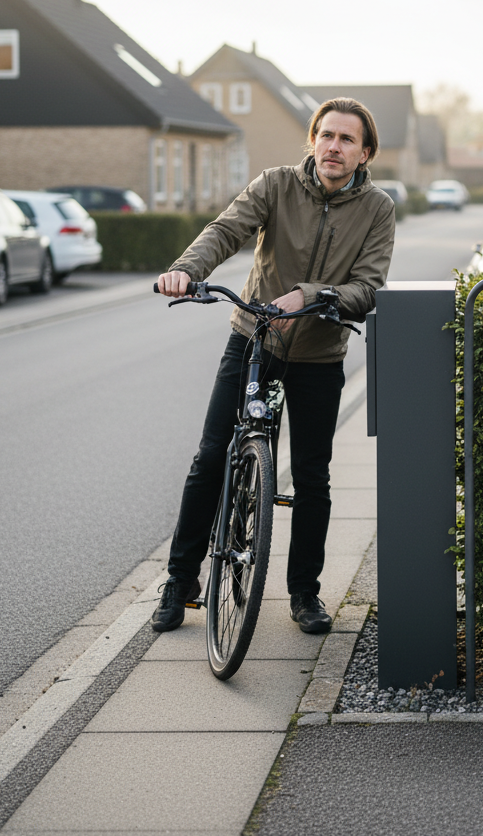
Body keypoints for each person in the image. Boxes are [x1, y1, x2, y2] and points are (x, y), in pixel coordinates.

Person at [151, 97, 395, 635]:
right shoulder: (276, 184)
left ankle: (304, 593)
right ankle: (180, 581)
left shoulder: (377, 208)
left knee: (312, 477)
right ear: (313, 141)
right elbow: (226, 230)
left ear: (365, 152)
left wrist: (308, 294)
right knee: (212, 456)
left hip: (319, 355)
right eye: (326, 135)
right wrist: (186, 269)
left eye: (346, 139)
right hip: (254, 341)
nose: (334, 146)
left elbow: (368, 286)